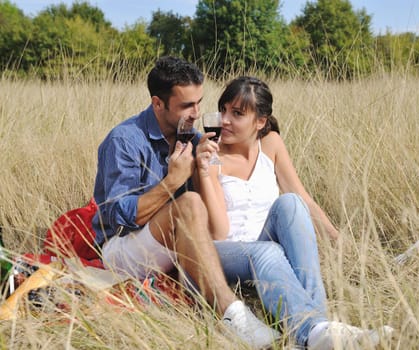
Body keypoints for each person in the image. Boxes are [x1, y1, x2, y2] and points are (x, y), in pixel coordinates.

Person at [91, 57, 280, 349]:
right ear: (158, 104)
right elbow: (117, 216)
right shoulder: (125, 140)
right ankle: (233, 314)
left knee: (200, 205)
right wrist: (172, 181)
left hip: (170, 245)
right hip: (121, 249)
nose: (196, 113)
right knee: (189, 202)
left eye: (199, 102)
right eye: (186, 106)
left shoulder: (192, 138)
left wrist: (206, 168)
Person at [195, 76, 394, 349]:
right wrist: (204, 172)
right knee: (269, 251)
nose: (225, 119)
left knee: (290, 202)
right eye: (224, 110)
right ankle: (316, 331)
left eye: (237, 113)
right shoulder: (213, 155)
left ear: (260, 121)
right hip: (225, 251)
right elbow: (218, 231)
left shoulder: (272, 144)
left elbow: (303, 199)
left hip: (264, 245)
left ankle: (319, 328)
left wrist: (338, 240)